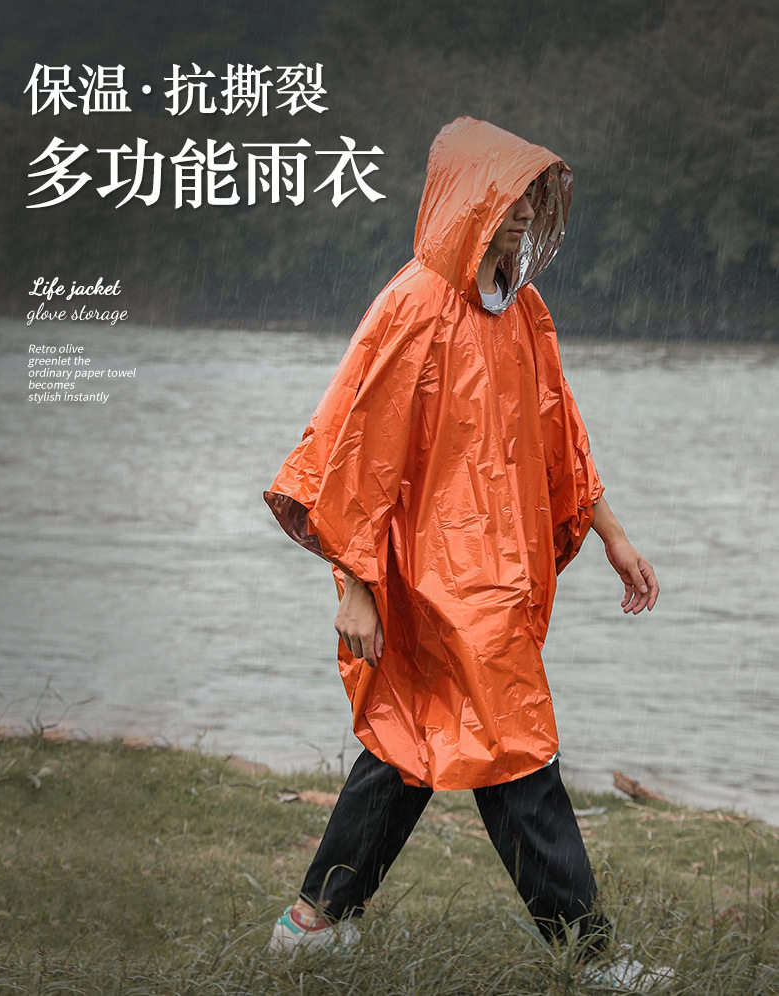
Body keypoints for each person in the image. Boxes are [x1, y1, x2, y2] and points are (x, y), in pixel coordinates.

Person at [263, 117, 667, 986]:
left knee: (409, 745)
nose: (521, 213)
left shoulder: (523, 310)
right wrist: (355, 586)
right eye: (508, 196)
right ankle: (594, 956)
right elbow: (355, 450)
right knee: (515, 751)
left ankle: (312, 921)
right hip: (428, 578)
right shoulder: (412, 306)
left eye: (530, 199)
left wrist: (614, 534)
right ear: (467, 199)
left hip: (499, 572)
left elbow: (561, 437)